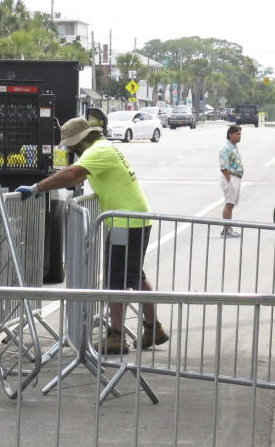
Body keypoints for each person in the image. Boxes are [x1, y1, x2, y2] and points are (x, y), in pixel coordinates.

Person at [15, 116, 168, 355]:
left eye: (73, 147)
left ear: (81, 142)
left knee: (115, 282)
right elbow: (77, 176)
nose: (72, 151)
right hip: (135, 218)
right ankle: (153, 327)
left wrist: (38, 187)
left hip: (124, 222)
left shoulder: (97, 152)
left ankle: (117, 336)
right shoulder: (104, 149)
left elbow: (71, 174)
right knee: (135, 276)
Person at [218, 124, 244, 237]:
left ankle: (229, 227)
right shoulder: (226, 148)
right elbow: (224, 166)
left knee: (231, 205)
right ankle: (226, 229)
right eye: (237, 134)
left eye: (240, 134)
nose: (239, 136)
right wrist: (230, 180)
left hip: (236, 178)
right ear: (230, 134)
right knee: (228, 205)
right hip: (230, 178)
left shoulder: (234, 147)